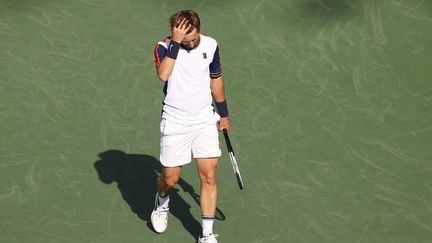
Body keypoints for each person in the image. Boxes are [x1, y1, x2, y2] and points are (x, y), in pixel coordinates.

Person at [151, 10, 230, 243]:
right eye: (187, 41)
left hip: (204, 119)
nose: (192, 43)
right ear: (175, 34)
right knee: (170, 179)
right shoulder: (164, 47)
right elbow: (163, 75)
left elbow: (215, 79)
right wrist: (176, 43)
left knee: (209, 176)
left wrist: (223, 115)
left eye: (194, 38)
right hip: (175, 121)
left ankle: (206, 234)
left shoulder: (211, 44)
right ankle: (162, 200)